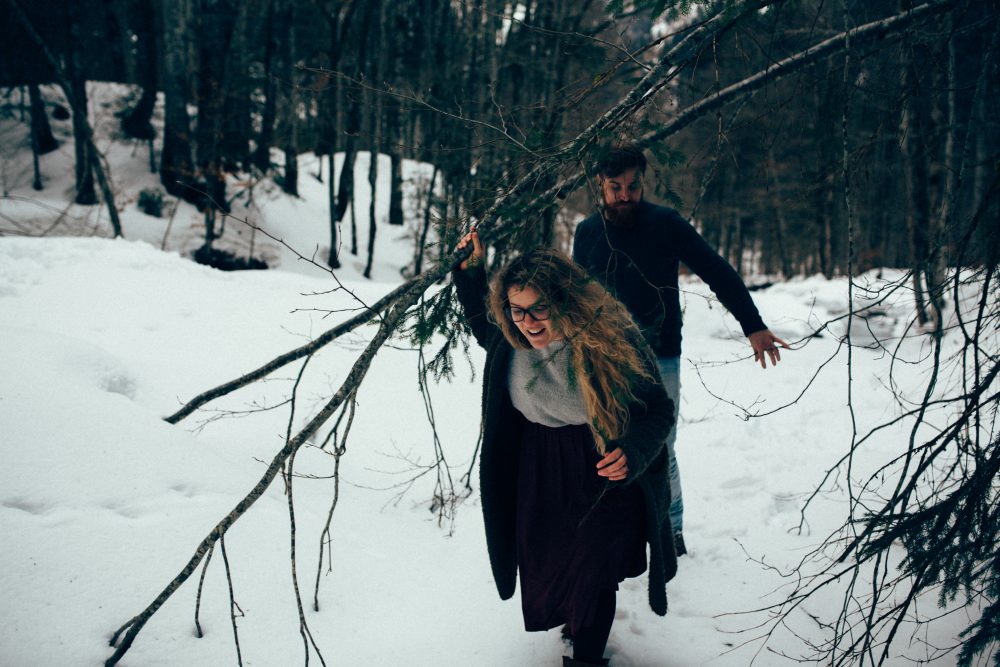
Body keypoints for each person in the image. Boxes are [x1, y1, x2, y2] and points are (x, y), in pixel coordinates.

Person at [453, 230, 677, 667]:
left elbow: (658, 410)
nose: (529, 322)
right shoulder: (507, 339)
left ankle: (587, 657)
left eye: (540, 308)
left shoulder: (612, 340)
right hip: (538, 466)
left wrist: (633, 450)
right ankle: (577, 627)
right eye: (517, 311)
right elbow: (480, 319)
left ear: (565, 302)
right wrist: (470, 271)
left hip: (602, 468)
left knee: (593, 570)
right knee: (553, 562)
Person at [573, 144, 789, 557]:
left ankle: (670, 532)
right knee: (606, 444)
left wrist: (753, 324)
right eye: (615, 187)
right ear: (600, 183)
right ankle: (617, 530)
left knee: (659, 444)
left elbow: (716, 270)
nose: (624, 195)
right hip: (603, 357)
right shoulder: (587, 233)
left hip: (659, 355)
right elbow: (577, 296)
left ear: (643, 182)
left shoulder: (665, 223)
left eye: (632, 186)